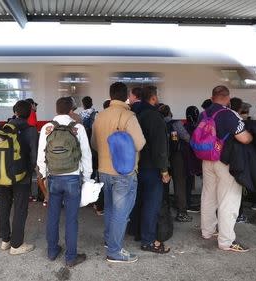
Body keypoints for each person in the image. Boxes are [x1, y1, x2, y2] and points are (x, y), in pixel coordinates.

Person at [91, 82, 146, 263]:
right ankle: (115, 251)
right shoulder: (128, 116)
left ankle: (109, 240)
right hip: (123, 172)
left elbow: (94, 145)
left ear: (111, 95)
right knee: (121, 213)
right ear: (126, 96)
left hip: (103, 170)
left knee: (109, 208)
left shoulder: (100, 115)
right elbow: (140, 144)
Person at [38, 97, 92, 267]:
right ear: (71, 111)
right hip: (72, 178)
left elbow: (41, 157)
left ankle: (52, 251)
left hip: (53, 177)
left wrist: (44, 178)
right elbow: (86, 155)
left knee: (53, 215)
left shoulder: (47, 128)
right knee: (71, 219)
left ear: (56, 109)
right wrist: (87, 178)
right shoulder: (78, 128)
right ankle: (71, 257)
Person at [200, 85, 252, 252]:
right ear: (228, 98)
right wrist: (251, 136)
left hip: (207, 158)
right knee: (228, 199)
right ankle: (226, 241)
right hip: (224, 161)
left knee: (208, 195)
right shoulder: (228, 115)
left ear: (212, 96)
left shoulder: (204, 113)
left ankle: (207, 231)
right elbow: (244, 138)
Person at [0, 100, 38, 255]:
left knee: (4, 206)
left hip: (2, 174)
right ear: (30, 113)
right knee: (20, 209)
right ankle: (17, 245)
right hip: (22, 176)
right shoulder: (30, 130)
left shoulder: (4, 127)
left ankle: (5, 240)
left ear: (15, 112)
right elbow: (34, 155)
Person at [137, 85, 171, 254]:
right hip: (152, 168)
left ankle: (139, 233)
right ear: (153, 97)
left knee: (141, 201)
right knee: (152, 204)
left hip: (138, 166)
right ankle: (148, 241)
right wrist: (164, 170)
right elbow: (160, 147)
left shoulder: (138, 114)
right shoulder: (154, 117)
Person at [158, 104, 192, 222]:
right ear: (169, 113)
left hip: (162, 157)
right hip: (177, 157)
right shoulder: (176, 123)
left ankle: (164, 211)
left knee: (163, 185)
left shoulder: (158, 124)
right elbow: (187, 138)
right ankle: (181, 213)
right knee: (179, 184)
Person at [183, 106, 202, 213]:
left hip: (191, 159)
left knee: (188, 182)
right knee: (188, 182)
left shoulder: (186, 126)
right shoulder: (191, 128)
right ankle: (187, 204)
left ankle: (188, 203)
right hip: (189, 159)